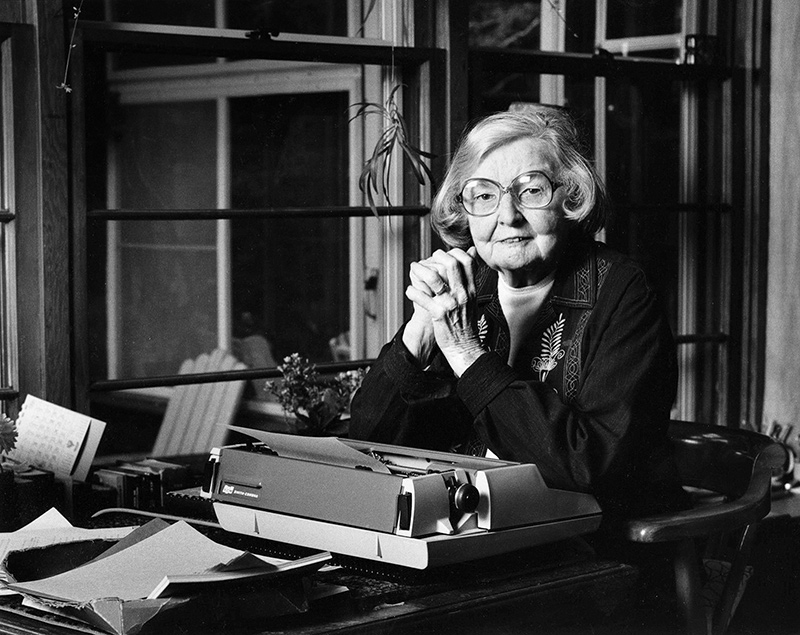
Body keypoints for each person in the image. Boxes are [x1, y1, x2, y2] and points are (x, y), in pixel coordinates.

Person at [349, 105, 688, 528]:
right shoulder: (464, 283)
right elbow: (364, 444)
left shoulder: (623, 292)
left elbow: (591, 466)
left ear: (571, 197)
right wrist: (419, 335)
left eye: (531, 191)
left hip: (585, 545)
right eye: (485, 195)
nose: (507, 216)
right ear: (464, 209)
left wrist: (464, 350)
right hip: (467, 531)